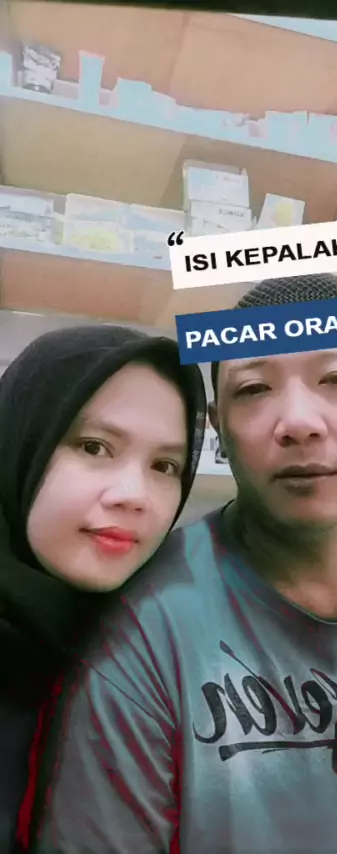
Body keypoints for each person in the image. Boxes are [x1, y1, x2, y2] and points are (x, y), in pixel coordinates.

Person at [30, 275, 337, 854]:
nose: (298, 422)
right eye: (254, 389)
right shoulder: (145, 620)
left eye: (336, 379)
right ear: (218, 428)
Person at [0, 323, 206, 854]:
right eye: (94, 447)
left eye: (165, 465)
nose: (134, 495)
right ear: (21, 441)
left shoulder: (148, 654)